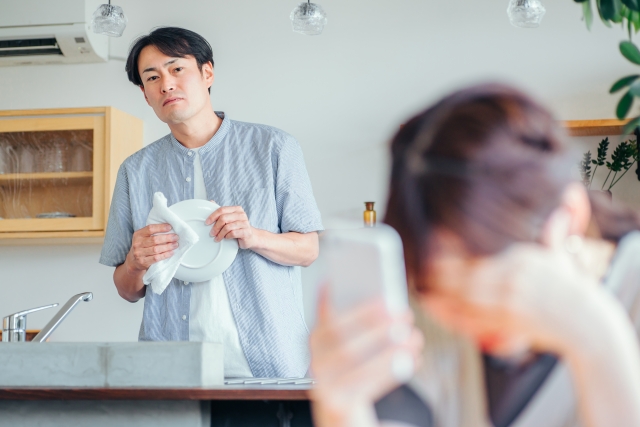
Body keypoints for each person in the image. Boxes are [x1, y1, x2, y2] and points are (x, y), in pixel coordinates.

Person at [309, 84, 640, 427]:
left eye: (483, 282)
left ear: (568, 217)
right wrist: (342, 409)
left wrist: (596, 335)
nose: (468, 319)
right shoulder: (433, 319)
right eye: (440, 294)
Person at [99, 27, 323, 378]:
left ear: (207, 73)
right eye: (152, 77)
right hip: (172, 369)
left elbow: (308, 250)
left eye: (176, 69)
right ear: (145, 95)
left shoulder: (274, 147)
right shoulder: (135, 171)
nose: (166, 85)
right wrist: (134, 263)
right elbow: (127, 290)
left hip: (269, 364)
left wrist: (254, 236)